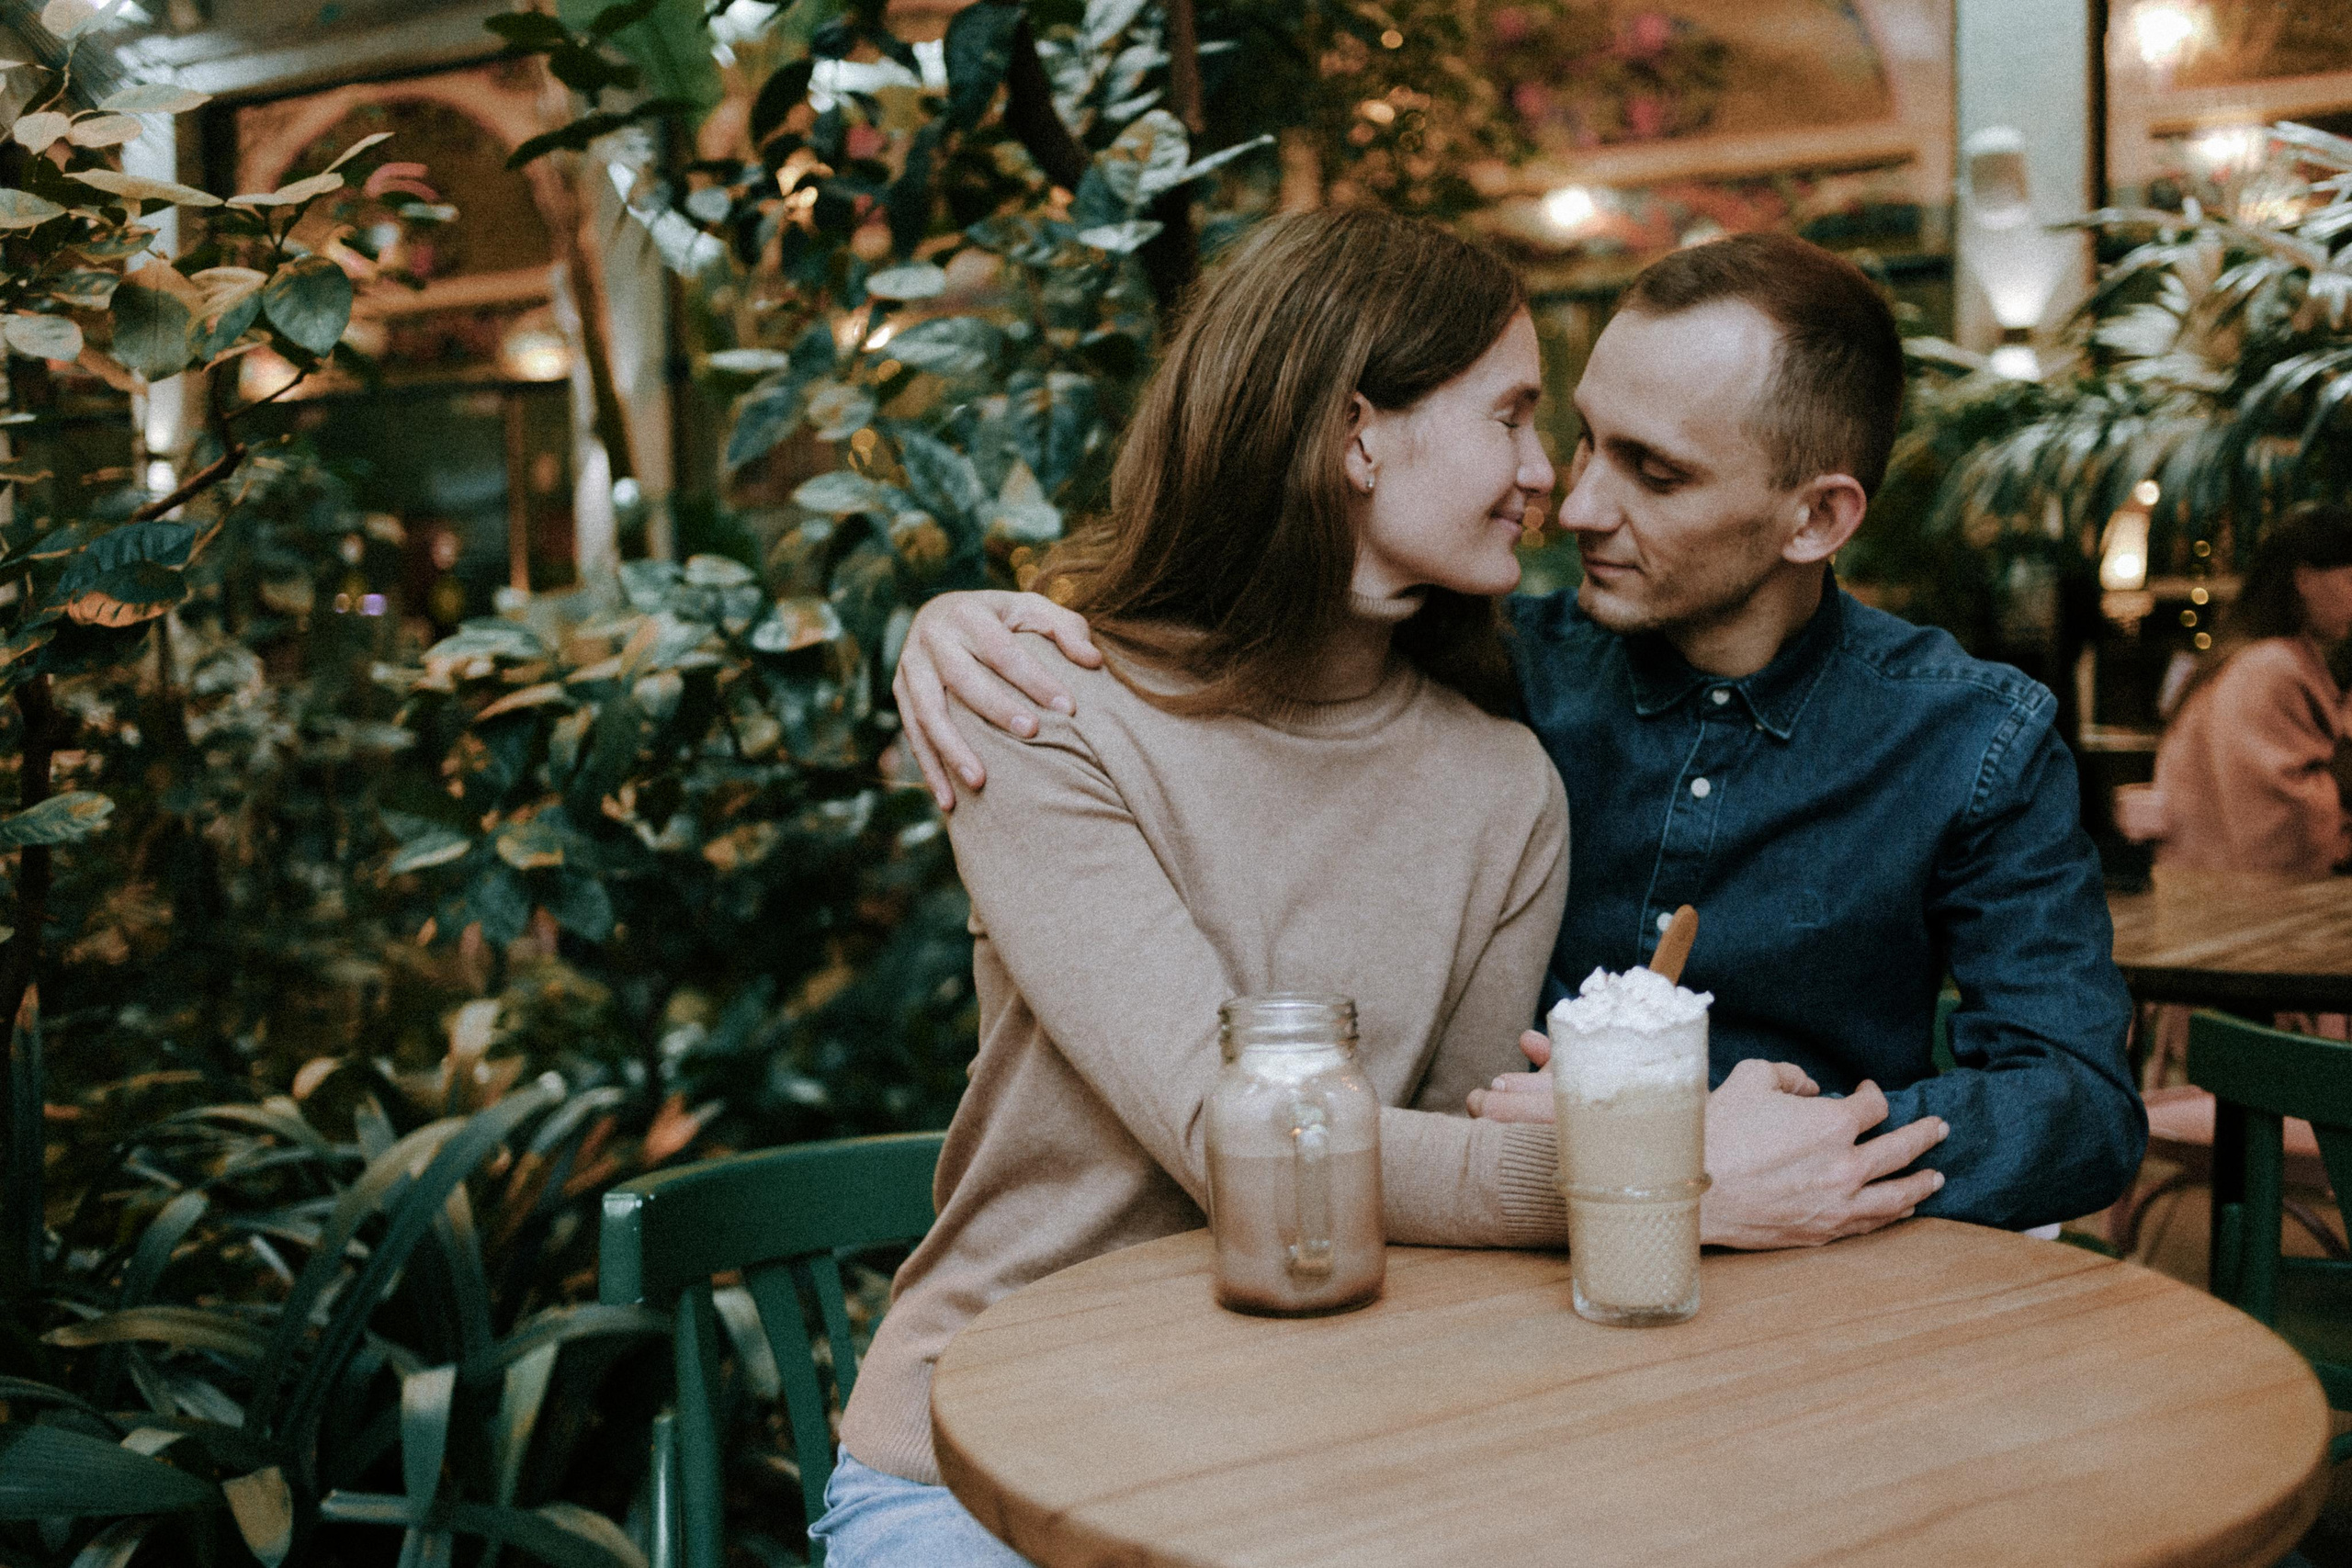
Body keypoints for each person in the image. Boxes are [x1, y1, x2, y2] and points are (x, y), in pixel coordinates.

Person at [821, 210, 1937, 1568]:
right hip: (982, 1467)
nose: (1551, 484)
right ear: (1359, 433)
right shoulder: (1044, 704)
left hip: (1304, 1449)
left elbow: (1440, 1193)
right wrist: (1655, 1173)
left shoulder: (1502, 785)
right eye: (1516, 417)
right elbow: (1235, 1131)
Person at [893, 230, 2139, 1247]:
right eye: (1575, 432)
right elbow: (1243, 622)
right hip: (1493, 1289)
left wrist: (1769, 1151)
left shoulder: (1971, 734)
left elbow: (2078, 1106)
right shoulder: (1496, 674)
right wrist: (958, 617)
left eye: (1651, 470)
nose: (1573, 496)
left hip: (1801, 1296)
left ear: (1816, 518)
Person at [2148, 501, 2352, 877]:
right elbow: (2284, 820)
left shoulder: (2242, 657)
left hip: (2207, 899)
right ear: (2304, 579)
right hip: (2248, 912)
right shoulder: (2271, 667)